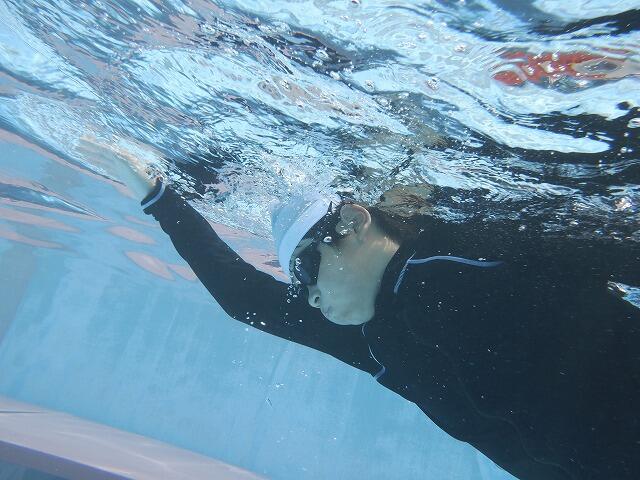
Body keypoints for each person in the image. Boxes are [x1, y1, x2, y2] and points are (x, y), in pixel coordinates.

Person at [116, 153, 639, 480]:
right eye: (299, 284)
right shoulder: (375, 337)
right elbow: (245, 299)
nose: (310, 298)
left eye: (307, 271)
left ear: (351, 221)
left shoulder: (475, 247)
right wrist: (157, 197)